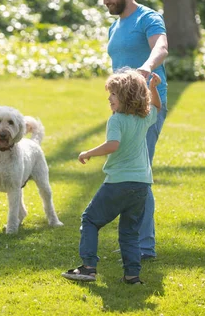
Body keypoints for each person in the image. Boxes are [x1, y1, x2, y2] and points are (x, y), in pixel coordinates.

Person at [96, 0, 169, 260]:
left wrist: (147, 67)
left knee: (137, 174)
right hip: (122, 109)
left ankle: (144, 246)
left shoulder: (148, 17)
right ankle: (134, 241)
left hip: (146, 107)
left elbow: (161, 47)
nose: (106, 1)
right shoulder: (115, 25)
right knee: (128, 173)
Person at [62, 69, 162, 284]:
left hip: (118, 183)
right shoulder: (143, 118)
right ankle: (132, 275)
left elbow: (113, 145)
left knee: (89, 220)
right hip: (142, 185)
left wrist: (88, 153)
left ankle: (88, 268)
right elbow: (157, 107)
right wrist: (152, 89)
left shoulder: (116, 120)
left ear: (126, 96)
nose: (109, 98)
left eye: (113, 94)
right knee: (129, 232)